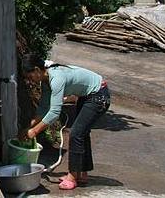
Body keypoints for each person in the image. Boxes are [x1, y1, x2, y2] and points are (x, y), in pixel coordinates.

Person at [19, 54, 111, 190]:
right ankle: (82, 174)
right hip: (87, 96)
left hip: (99, 96)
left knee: (76, 134)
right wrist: (29, 126)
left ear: (37, 70)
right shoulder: (45, 80)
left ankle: (73, 177)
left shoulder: (56, 78)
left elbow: (54, 113)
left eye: (30, 76)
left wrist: (34, 131)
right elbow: (44, 108)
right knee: (82, 133)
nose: (30, 80)